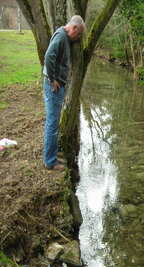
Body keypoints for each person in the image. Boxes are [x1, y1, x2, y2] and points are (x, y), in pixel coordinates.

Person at [43, 15, 85, 170]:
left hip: (57, 86)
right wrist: (53, 79)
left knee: (53, 123)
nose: (79, 37)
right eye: (79, 34)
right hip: (54, 86)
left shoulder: (65, 37)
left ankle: (51, 155)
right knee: (52, 124)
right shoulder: (61, 37)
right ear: (73, 28)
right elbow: (49, 56)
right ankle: (50, 161)